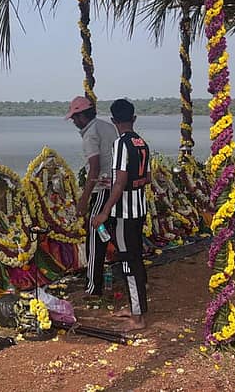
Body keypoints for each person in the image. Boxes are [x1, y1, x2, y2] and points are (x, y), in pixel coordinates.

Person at [92, 98, 150, 331]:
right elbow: (145, 178)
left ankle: (138, 317)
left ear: (113, 120)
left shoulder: (120, 144)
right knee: (136, 258)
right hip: (139, 209)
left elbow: (121, 182)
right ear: (133, 118)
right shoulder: (142, 143)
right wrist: (118, 182)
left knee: (128, 262)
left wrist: (104, 212)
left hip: (124, 214)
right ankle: (135, 306)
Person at [66, 95, 118, 299]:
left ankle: (93, 287)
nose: (74, 122)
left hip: (102, 191)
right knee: (116, 235)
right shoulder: (107, 127)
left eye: (74, 118)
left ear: (82, 116)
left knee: (95, 239)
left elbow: (94, 168)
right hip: (117, 188)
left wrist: (84, 200)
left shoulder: (90, 135)